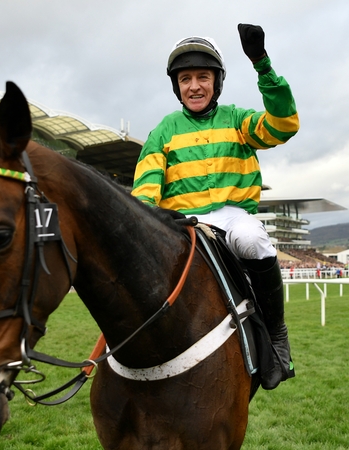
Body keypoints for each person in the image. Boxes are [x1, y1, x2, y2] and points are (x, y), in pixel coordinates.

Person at [131, 24, 298, 389]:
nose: (194, 86)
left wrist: (262, 63)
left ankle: (276, 334)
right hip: (180, 223)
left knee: (253, 240)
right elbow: (145, 190)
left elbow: (284, 126)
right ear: (176, 85)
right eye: (186, 78)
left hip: (232, 217)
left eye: (202, 77)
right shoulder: (163, 132)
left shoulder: (238, 121)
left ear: (216, 82)